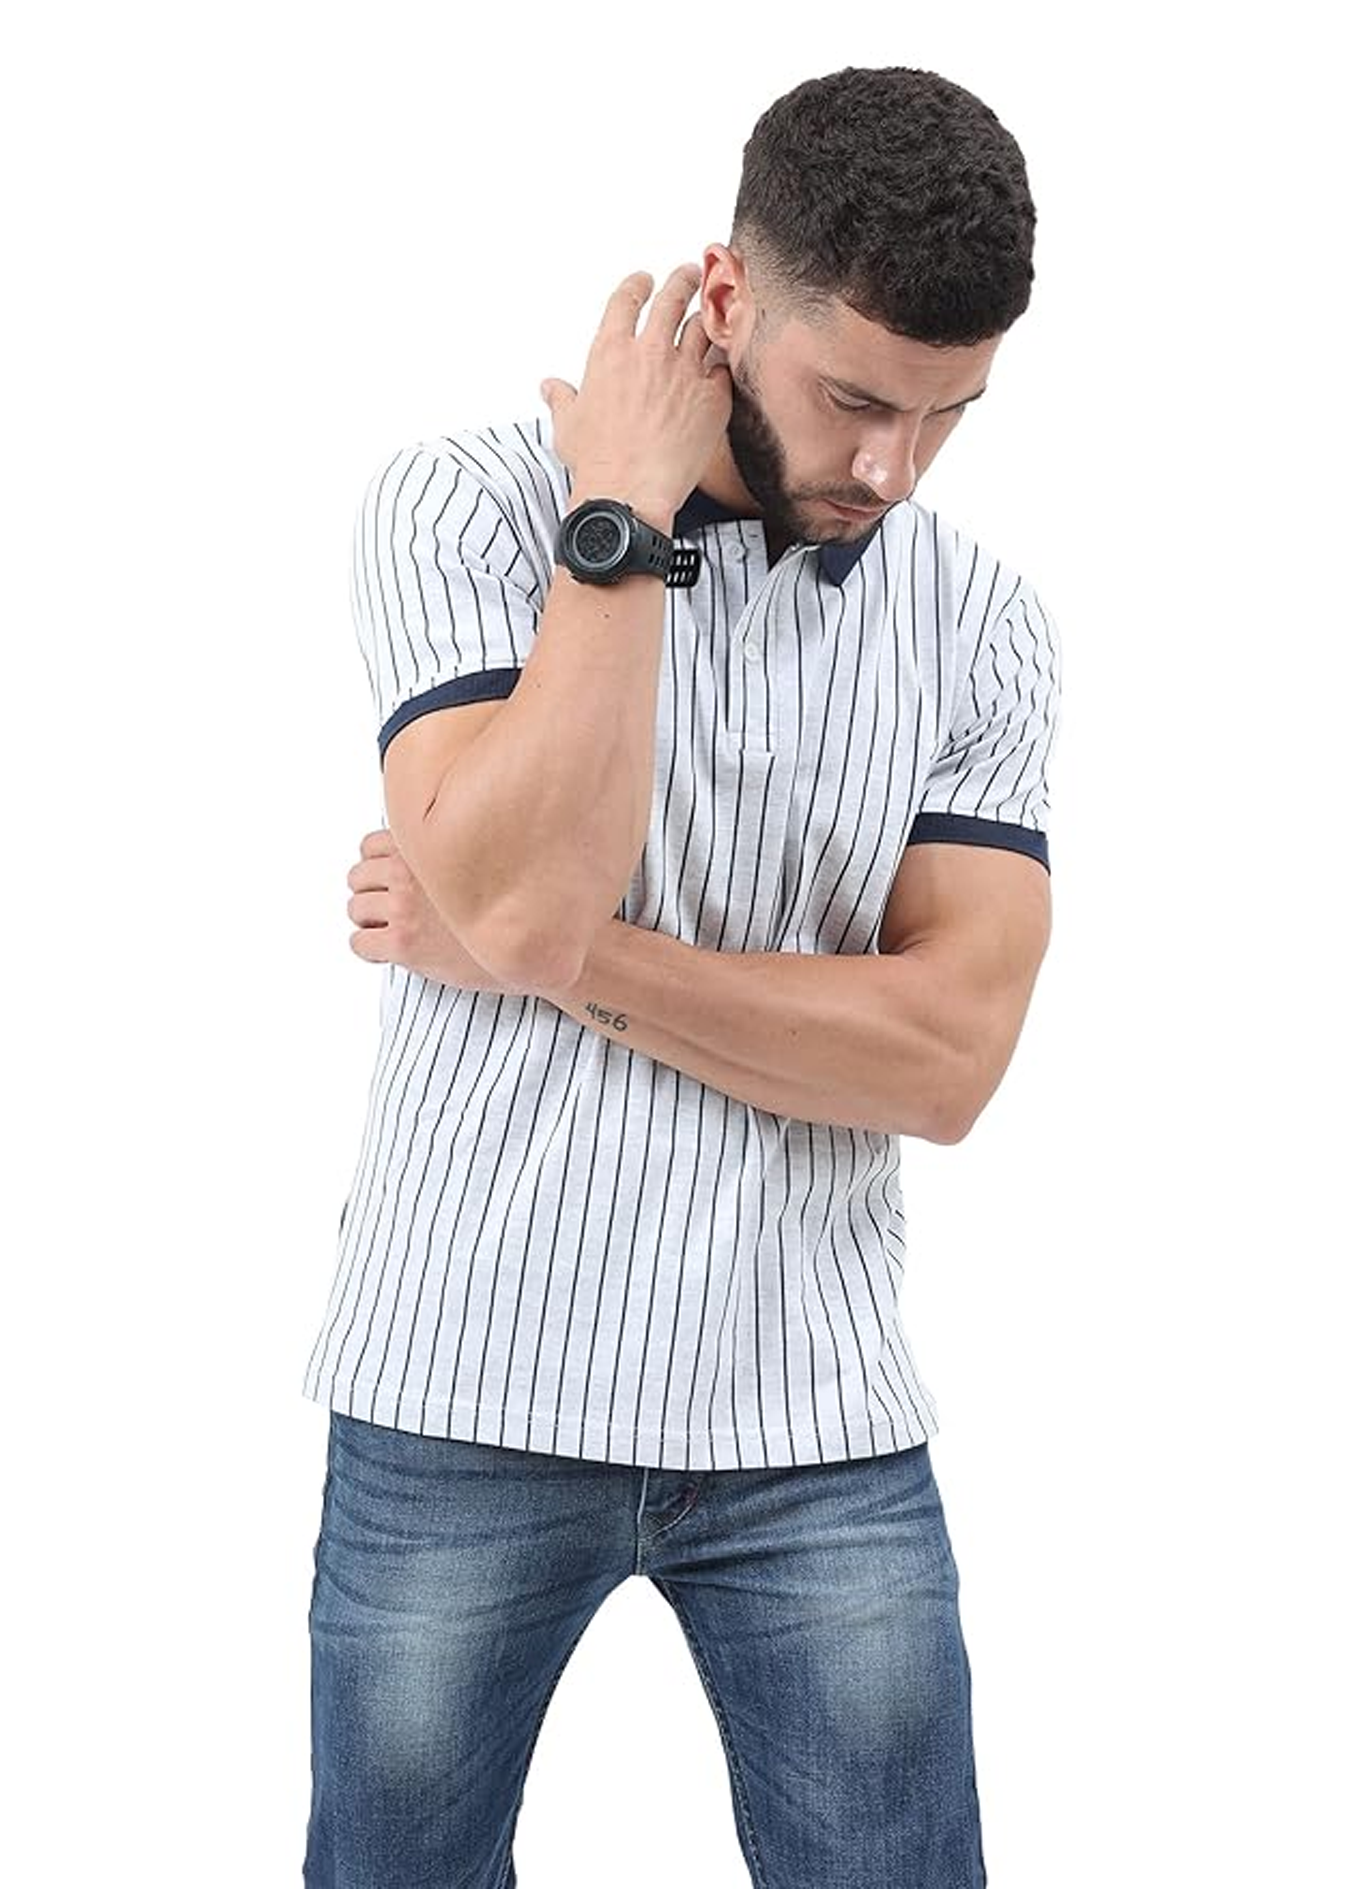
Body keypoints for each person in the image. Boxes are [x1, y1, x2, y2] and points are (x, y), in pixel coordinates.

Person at [301, 63, 1060, 1889]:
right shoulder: (468, 508)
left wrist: (540, 951)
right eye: (856, 399)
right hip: (462, 1379)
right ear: (726, 298)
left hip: (817, 1409)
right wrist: (619, 526)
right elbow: (522, 891)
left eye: (949, 416)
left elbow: (946, 1059)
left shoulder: (981, 622)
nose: (893, 469)